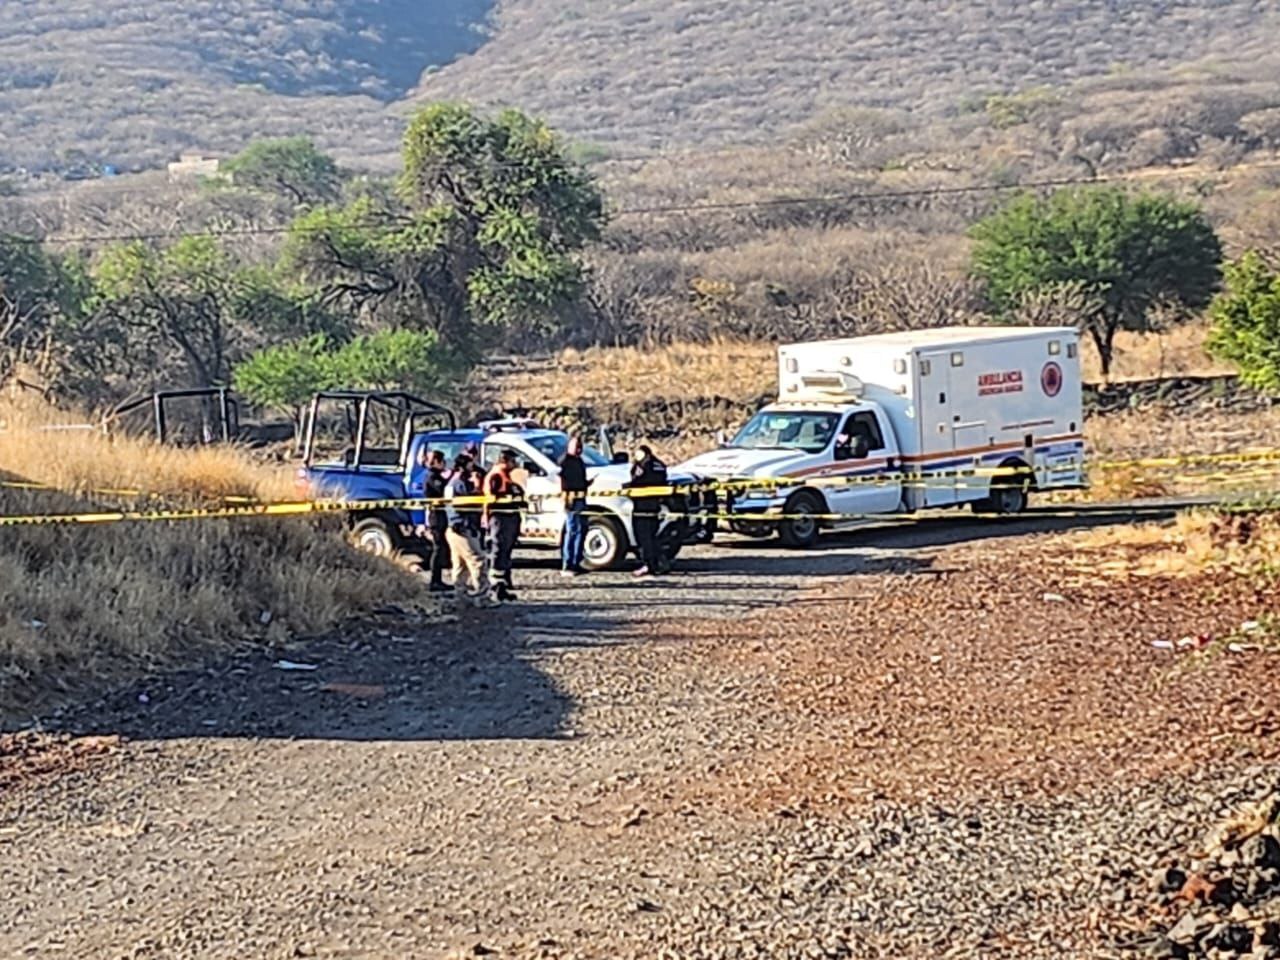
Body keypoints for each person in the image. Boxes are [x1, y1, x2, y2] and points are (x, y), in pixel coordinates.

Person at [444, 455, 492, 608]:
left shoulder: (452, 484)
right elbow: (467, 505)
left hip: (454, 528)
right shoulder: (459, 484)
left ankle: (461, 597)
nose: (473, 469)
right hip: (462, 528)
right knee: (478, 561)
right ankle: (482, 596)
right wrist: (477, 490)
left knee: (460, 565)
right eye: (470, 466)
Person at [484, 449, 525, 601]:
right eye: (513, 461)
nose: (515, 464)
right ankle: (496, 587)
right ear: (505, 460)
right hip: (501, 519)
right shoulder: (495, 476)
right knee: (498, 551)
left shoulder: (509, 476)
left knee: (506, 552)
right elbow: (490, 499)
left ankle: (504, 584)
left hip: (510, 518)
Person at [626, 445, 668, 578]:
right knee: (652, 536)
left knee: (643, 537)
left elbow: (637, 481)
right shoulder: (660, 465)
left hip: (642, 505)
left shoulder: (644, 465)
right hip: (655, 505)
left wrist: (627, 488)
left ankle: (648, 564)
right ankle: (657, 563)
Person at [559, 435, 592, 576]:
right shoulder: (565, 461)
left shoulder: (579, 461)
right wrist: (566, 499)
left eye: (580, 446)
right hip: (571, 500)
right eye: (576, 446)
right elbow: (562, 481)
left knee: (581, 530)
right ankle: (568, 564)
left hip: (581, 498)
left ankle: (577, 561)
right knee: (572, 531)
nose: (579, 449)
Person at [422, 449, 451, 592]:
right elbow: (441, 489)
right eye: (442, 462)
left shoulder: (436, 475)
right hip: (435, 516)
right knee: (437, 548)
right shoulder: (432, 477)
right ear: (437, 462)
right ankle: (435, 580)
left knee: (441, 548)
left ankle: (438, 579)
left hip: (441, 514)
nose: (444, 464)